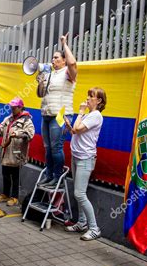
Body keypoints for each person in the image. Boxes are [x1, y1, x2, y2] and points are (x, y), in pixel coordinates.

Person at [64, 87, 106, 241]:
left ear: (99, 100)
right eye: (88, 95)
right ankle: (82, 223)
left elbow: (78, 128)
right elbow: (75, 131)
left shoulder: (95, 115)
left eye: (91, 96)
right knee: (78, 192)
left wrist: (80, 112)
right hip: (77, 156)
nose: (87, 99)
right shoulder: (90, 115)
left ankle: (94, 228)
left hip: (85, 159)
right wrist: (70, 127)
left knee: (79, 194)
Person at [37, 33, 77, 188]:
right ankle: (49, 175)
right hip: (46, 114)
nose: (53, 61)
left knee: (56, 147)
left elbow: (73, 63)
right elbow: (40, 94)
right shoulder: (50, 74)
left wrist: (64, 44)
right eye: (52, 58)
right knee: (47, 147)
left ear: (64, 60)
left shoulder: (68, 72)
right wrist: (40, 82)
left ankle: (58, 177)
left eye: (56, 58)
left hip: (60, 115)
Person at [0, 97, 35, 206]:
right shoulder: (8, 119)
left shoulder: (26, 120)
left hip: (16, 153)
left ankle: (14, 197)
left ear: (20, 107)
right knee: (5, 174)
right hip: (6, 152)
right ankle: (5, 194)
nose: (12, 109)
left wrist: (18, 134)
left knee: (15, 176)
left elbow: (30, 134)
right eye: (11, 107)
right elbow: (0, 129)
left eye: (14, 107)